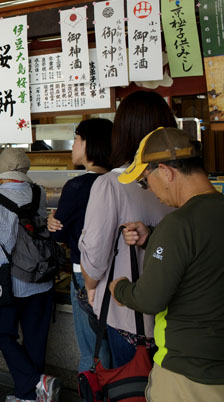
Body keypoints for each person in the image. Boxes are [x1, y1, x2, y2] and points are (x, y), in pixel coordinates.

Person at [112, 127, 224, 401]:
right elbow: (204, 260)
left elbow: (150, 300)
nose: (149, 190)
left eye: (145, 181)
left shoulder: (178, 224)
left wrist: (120, 289)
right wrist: (151, 240)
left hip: (186, 371)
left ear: (165, 171)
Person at [79, 91, 176, 367]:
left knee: (130, 388)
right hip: (172, 313)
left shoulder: (110, 184)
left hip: (127, 312)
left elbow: (95, 256)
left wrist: (90, 288)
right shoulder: (177, 179)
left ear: (121, 132)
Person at [0, 148, 59, 402]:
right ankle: (29, 395)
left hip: (8, 283)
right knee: (36, 338)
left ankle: (35, 383)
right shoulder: (39, 192)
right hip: (42, 279)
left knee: (2, 334)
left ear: (1, 174)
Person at [46, 118, 113, 373]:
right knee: (113, 343)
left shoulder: (78, 185)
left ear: (89, 144)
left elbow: (59, 235)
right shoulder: (122, 182)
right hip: (119, 272)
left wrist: (53, 223)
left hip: (84, 274)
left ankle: (95, 391)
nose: (73, 145)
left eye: (76, 139)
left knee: (92, 350)